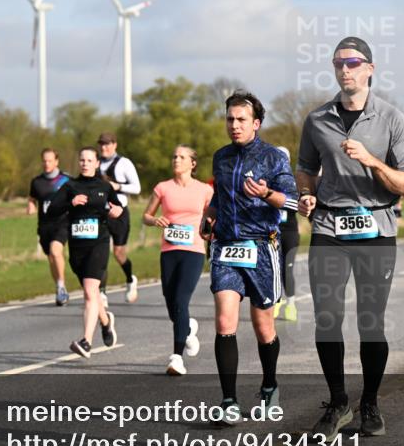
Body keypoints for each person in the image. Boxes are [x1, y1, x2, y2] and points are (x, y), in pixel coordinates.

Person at [297, 36, 404, 440]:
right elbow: (305, 169)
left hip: (376, 229)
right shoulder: (317, 120)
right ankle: (337, 402)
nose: (344, 69)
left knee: (371, 322)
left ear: (370, 68)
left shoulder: (392, 120)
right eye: (337, 63)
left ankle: (370, 402)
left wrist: (371, 160)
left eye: (352, 62)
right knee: (327, 317)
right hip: (330, 228)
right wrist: (306, 193)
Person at [204, 90, 298, 426]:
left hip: (261, 249)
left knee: (263, 326)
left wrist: (267, 194)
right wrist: (210, 216)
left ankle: (270, 386)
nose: (234, 125)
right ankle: (228, 401)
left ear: (256, 123)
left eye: (241, 119)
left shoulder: (273, 157)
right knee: (225, 322)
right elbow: (218, 195)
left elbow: (293, 201)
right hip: (227, 248)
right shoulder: (221, 157)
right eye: (230, 119)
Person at [46, 147, 123, 358]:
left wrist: (118, 211)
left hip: (98, 243)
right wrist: (70, 202)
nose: (85, 163)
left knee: (90, 291)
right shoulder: (70, 186)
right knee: (92, 292)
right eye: (82, 160)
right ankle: (106, 322)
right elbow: (52, 210)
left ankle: (86, 342)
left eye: (89, 160)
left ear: (97, 163)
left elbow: (118, 208)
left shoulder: (104, 186)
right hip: (77, 246)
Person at [142, 145, 211, 375]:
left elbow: (212, 218)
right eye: (174, 156)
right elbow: (146, 215)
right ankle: (188, 327)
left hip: (193, 250)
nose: (176, 160)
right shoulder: (163, 188)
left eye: (181, 157)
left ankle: (176, 358)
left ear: (193, 163)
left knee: (181, 301)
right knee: (171, 302)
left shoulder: (204, 190)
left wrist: (211, 233)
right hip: (169, 250)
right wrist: (155, 221)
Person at [97, 132, 142, 303]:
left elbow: (137, 188)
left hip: (120, 213)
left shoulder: (124, 163)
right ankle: (101, 293)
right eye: (101, 144)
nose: (104, 147)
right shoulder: (95, 163)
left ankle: (130, 279)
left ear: (114, 145)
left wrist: (117, 186)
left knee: (118, 253)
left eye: (107, 144)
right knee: (100, 252)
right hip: (101, 213)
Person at [27, 148, 71, 306]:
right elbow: (32, 198)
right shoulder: (37, 182)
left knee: (56, 251)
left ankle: (61, 287)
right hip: (45, 226)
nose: (47, 163)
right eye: (44, 161)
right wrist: (31, 206)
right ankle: (60, 285)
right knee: (51, 258)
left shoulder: (66, 180)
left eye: (50, 160)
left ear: (56, 161)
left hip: (62, 223)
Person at [273, 146, 300, 323]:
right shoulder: (267, 180)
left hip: (290, 230)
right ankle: (276, 300)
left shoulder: (295, 181)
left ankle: (291, 303)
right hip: (272, 231)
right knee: (273, 268)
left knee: (287, 268)